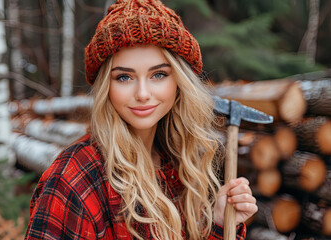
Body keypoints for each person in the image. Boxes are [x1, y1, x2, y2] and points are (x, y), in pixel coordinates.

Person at [24, 0, 257, 239]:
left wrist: (219, 223)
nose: (143, 94)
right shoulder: (74, 178)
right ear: (106, 86)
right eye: (124, 77)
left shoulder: (177, 163)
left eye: (158, 74)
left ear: (179, 82)